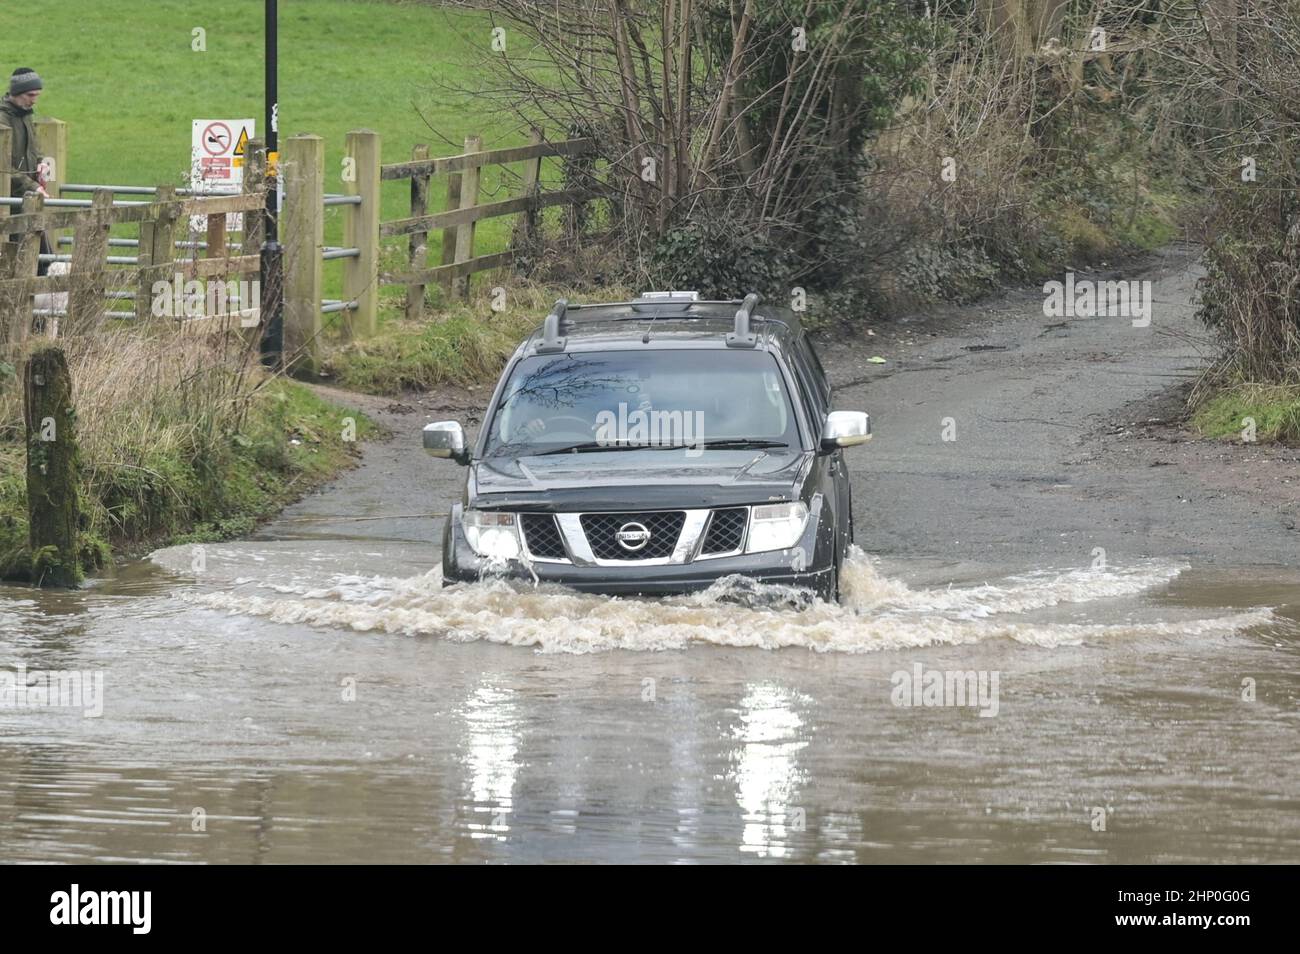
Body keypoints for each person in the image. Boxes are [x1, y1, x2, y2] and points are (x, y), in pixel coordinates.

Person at [1, 67, 53, 274]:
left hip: (24, 199)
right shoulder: (2, 120)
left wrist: (40, 163)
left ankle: (41, 304)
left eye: (36, 95)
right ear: (16, 92)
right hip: (8, 201)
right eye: (30, 95)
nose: (34, 100)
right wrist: (32, 186)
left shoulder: (25, 116)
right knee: (18, 260)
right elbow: (3, 168)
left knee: (40, 257)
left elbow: (33, 148)